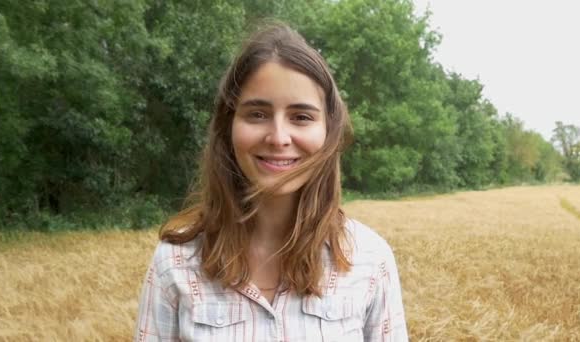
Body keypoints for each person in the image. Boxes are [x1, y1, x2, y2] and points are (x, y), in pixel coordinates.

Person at [134, 23, 408, 342]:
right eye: (257, 114)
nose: (278, 138)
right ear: (229, 127)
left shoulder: (370, 259)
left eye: (301, 117)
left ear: (328, 133)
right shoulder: (176, 261)